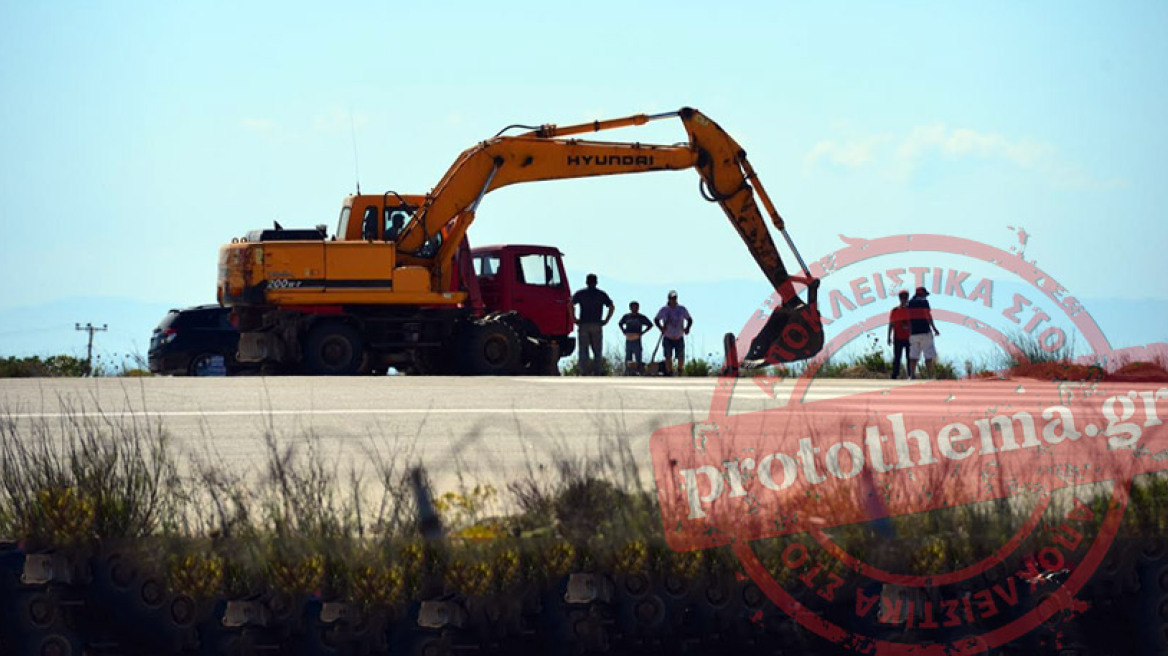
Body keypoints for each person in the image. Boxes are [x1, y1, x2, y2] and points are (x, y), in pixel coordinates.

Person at [571, 273, 614, 376]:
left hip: (583, 324)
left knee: (583, 349)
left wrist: (573, 318)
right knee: (597, 350)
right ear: (596, 282)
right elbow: (611, 306)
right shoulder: (601, 294)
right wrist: (606, 320)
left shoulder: (580, 293)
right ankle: (597, 371)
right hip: (596, 324)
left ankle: (584, 371)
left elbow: (570, 304)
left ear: (586, 282)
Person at [654, 290, 693, 376]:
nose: (673, 300)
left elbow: (689, 319)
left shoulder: (682, 309)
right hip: (668, 336)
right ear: (668, 299)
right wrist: (661, 328)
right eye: (671, 298)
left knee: (680, 356)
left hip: (679, 336)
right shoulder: (664, 310)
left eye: (674, 298)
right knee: (668, 356)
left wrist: (687, 328)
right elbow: (656, 319)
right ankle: (669, 372)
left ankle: (680, 371)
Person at [906, 286, 940, 379]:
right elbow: (927, 315)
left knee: (914, 355)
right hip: (925, 332)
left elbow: (908, 318)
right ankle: (930, 375)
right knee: (928, 355)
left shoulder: (910, 303)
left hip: (913, 333)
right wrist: (934, 328)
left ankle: (912, 375)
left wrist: (909, 330)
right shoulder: (924, 302)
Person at [618, 301, 654, 375]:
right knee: (628, 356)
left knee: (638, 356)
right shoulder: (627, 316)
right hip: (629, 338)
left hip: (637, 338)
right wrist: (624, 331)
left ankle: (640, 371)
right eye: (633, 307)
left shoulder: (641, 317)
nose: (635, 308)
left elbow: (650, 324)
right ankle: (628, 372)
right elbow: (620, 323)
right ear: (630, 308)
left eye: (636, 307)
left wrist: (642, 332)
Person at [887, 290, 912, 380]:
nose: (904, 300)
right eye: (902, 298)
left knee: (909, 357)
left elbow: (913, 324)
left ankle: (910, 374)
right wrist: (888, 337)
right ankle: (895, 374)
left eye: (906, 298)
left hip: (909, 338)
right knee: (897, 357)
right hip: (897, 337)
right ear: (900, 298)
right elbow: (891, 324)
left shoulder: (910, 311)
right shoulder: (895, 310)